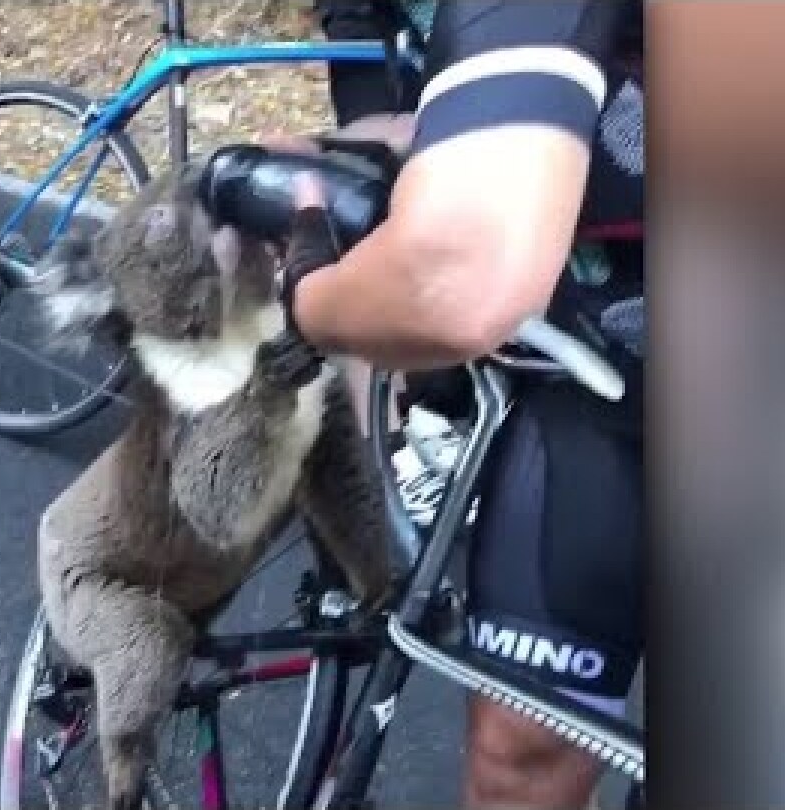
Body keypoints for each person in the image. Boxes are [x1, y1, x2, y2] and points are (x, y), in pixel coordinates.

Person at [260, 2, 644, 807]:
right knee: (520, 755)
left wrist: (307, 298)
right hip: (610, 398)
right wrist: (374, 144)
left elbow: (454, 277)